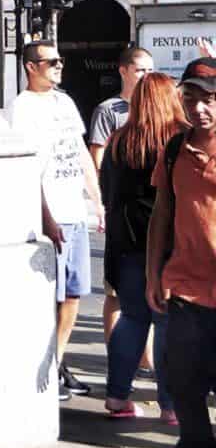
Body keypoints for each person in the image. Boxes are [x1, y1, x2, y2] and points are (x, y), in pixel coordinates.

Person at [8, 40, 104, 401]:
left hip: (75, 211)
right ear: (31, 67)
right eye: (51, 62)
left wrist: (97, 200)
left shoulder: (65, 102)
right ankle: (46, 363)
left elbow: (79, 152)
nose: (59, 67)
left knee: (75, 293)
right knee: (50, 294)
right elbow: (25, 168)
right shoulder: (20, 108)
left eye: (60, 61)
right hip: (50, 215)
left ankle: (58, 361)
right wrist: (45, 216)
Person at [100, 71, 186, 421]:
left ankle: (117, 397)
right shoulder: (180, 139)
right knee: (168, 324)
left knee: (133, 318)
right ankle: (170, 405)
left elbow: (109, 193)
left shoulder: (120, 141)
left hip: (127, 243)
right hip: (171, 244)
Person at [147, 56, 216, 448]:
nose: (199, 108)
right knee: (185, 392)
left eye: (208, 99)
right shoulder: (175, 148)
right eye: (190, 99)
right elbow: (162, 212)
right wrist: (153, 273)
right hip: (186, 292)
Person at [89, 46, 155, 354]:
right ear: (124, 71)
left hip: (149, 214)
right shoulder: (109, 110)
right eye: (141, 70)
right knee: (116, 291)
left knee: (149, 289)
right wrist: (102, 203)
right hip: (120, 211)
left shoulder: (156, 109)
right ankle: (116, 352)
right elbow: (97, 159)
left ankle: (144, 357)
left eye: (150, 70)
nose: (146, 76)